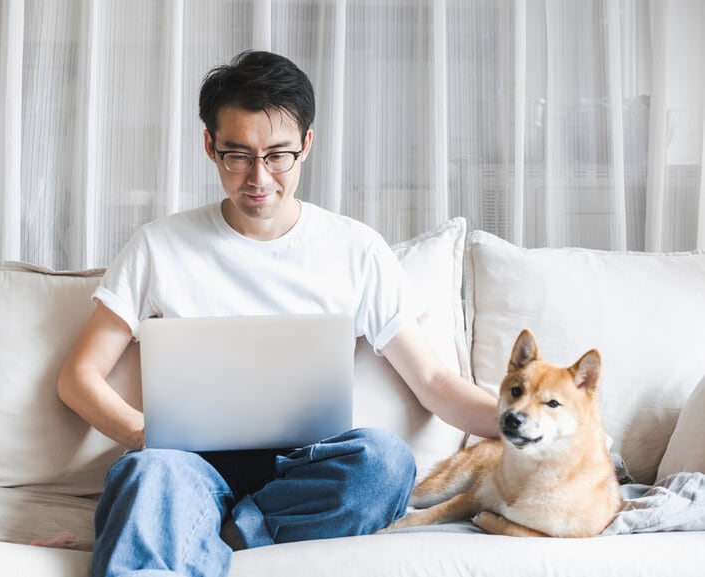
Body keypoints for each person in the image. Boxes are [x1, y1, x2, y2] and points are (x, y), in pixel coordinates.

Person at [57, 50, 499, 577]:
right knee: (149, 475)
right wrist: (142, 434)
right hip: (185, 463)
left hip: (307, 467)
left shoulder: (355, 248)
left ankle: (212, 534)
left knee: (385, 462)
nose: (258, 178)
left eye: (278, 156)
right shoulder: (160, 245)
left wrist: (537, 426)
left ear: (306, 145)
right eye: (237, 155)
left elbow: (432, 382)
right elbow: (78, 377)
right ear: (209, 146)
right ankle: (193, 527)